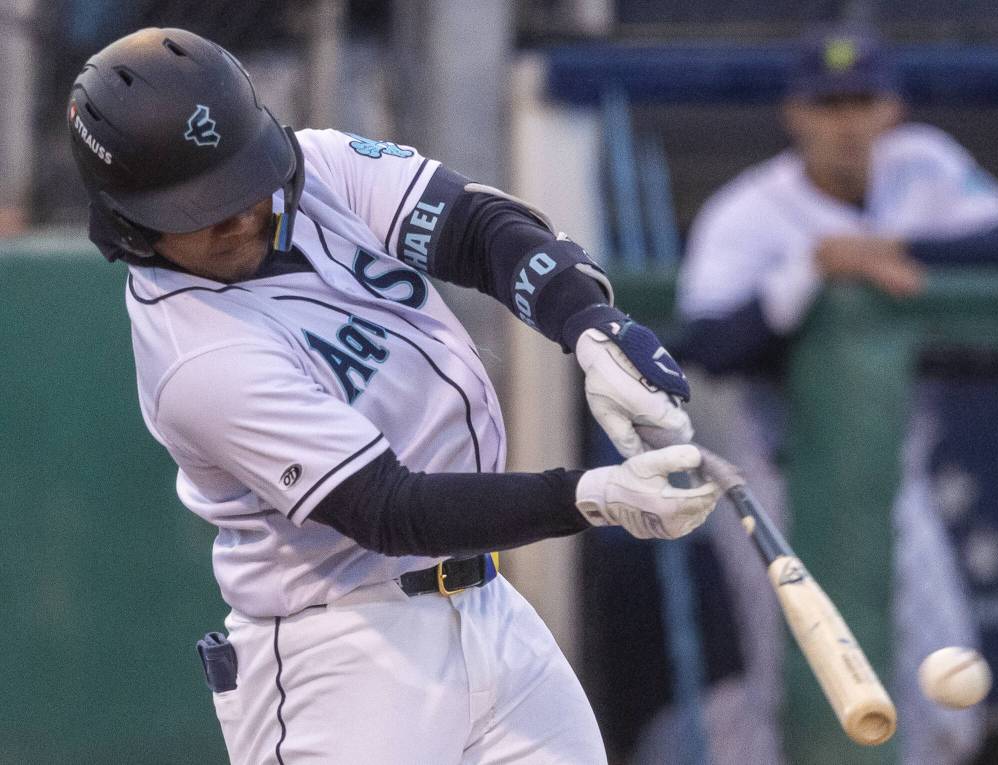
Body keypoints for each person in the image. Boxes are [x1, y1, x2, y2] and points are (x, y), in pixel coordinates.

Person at [68, 28, 723, 765]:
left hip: (488, 612)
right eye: (203, 205)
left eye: (244, 178)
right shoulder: (198, 356)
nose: (241, 212)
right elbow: (389, 509)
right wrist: (589, 496)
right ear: (133, 222)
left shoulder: (316, 167)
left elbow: (476, 228)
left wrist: (589, 322)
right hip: (343, 656)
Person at [675, 24, 998, 765]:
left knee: (947, 698)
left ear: (889, 109)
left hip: (892, 477)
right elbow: (705, 342)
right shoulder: (749, 212)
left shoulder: (920, 163)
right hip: (765, 479)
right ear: (795, 114)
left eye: (861, 101)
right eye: (827, 103)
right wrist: (809, 272)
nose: (846, 123)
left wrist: (890, 250)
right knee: (799, 687)